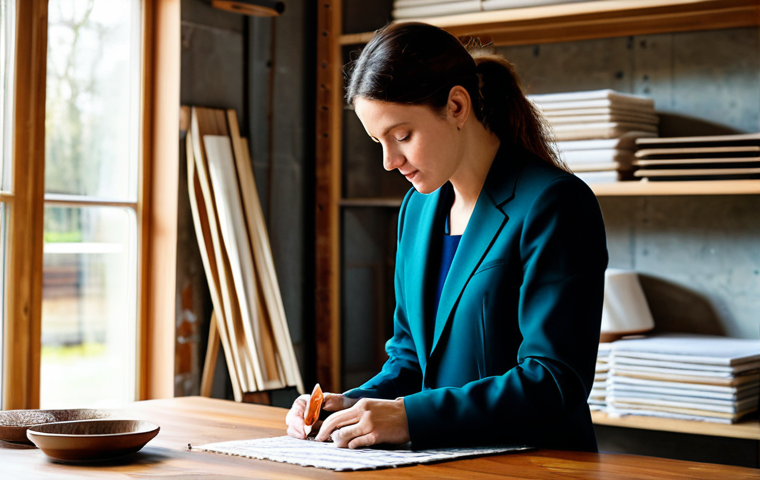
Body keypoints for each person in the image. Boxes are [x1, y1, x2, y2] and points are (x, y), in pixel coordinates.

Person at [286, 22, 608, 452]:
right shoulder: (417, 210)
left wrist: (410, 417)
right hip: (438, 461)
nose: (388, 161)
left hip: (534, 465)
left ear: (457, 106)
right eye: (378, 141)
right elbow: (409, 360)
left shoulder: (555, 203)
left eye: (402, 136)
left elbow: (552, 380)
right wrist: (353, 405)